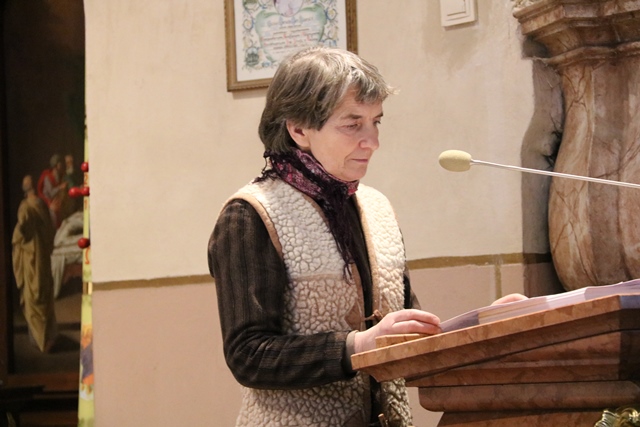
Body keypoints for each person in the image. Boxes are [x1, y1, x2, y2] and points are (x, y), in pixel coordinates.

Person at [208, 46, 525, 427]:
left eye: (376, 122)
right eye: (353, 124)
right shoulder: (251, 215)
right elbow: (249, 356)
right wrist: (357, 345)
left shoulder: (377, 208)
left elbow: (407, 336)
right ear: (299, 129)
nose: (372, 141)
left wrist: (483, 329)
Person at [12, 175, 58, 352]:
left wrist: (18, 236)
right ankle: (46, 339)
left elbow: (22, 229)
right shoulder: (41, 205)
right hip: (41, 257)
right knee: (42, 293)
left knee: (33, 295)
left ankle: (40, 339)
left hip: (31, 258)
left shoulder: (25, 207)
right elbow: (49, 231)